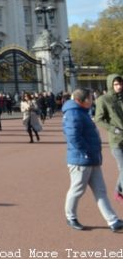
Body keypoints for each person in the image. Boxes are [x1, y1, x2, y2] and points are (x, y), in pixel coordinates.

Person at [63, 89, 123, 232]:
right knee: (77, 190)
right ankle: (70, 217)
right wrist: (84, 153)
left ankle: (112, 220)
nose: (92, 101)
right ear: (80, 100)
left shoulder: (80, 112)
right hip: (81, 159)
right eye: (90, 99)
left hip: (91, 157)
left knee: (100, 191)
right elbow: (73, 137)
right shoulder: (73, 113)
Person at [95, 74, 123, 204]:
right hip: (117, 140)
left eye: (120, 84)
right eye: (116, 84)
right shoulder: (103, 99)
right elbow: (98, 120)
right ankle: (121, 192)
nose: (119, 87)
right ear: (110, 84)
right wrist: (114, 129)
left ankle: (118, 189)